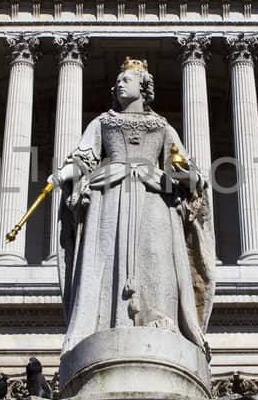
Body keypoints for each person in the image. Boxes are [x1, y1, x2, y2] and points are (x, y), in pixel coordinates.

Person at [51, 58, 213, 351]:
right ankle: (107, 322)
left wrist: (186, 176)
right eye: (117, 82)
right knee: (106, 253)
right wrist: (66, 173)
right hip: (110, 194)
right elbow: (84, 157)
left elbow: (183, 165)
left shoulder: (162, 127)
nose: (119, 84)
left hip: (154, 196)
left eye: (126, 80)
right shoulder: (101, 123)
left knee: (156, 256)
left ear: (143, 86)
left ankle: (162, 319)